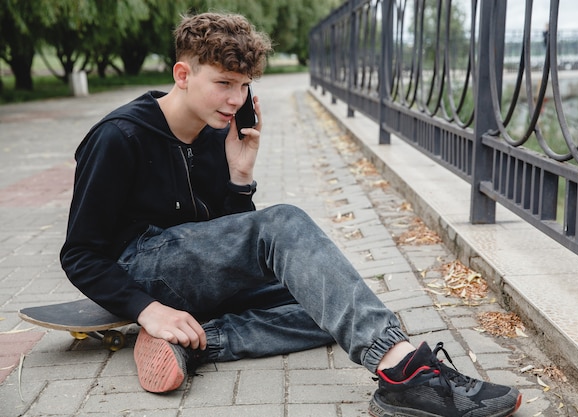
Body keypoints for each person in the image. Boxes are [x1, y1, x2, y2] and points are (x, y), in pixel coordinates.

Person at [60, 12, 522, 417]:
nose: (236, 99)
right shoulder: (119, 137)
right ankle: (403, 372)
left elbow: (223, 235)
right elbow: (80, 254)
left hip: (192, 274)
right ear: (183, 74)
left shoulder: (212, 135)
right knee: (286, 226)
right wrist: (149, 309)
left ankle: (201, 343)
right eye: (223, 83)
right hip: (142, 268)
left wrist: (239, 178)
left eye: (243, 86)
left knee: (336, 301)